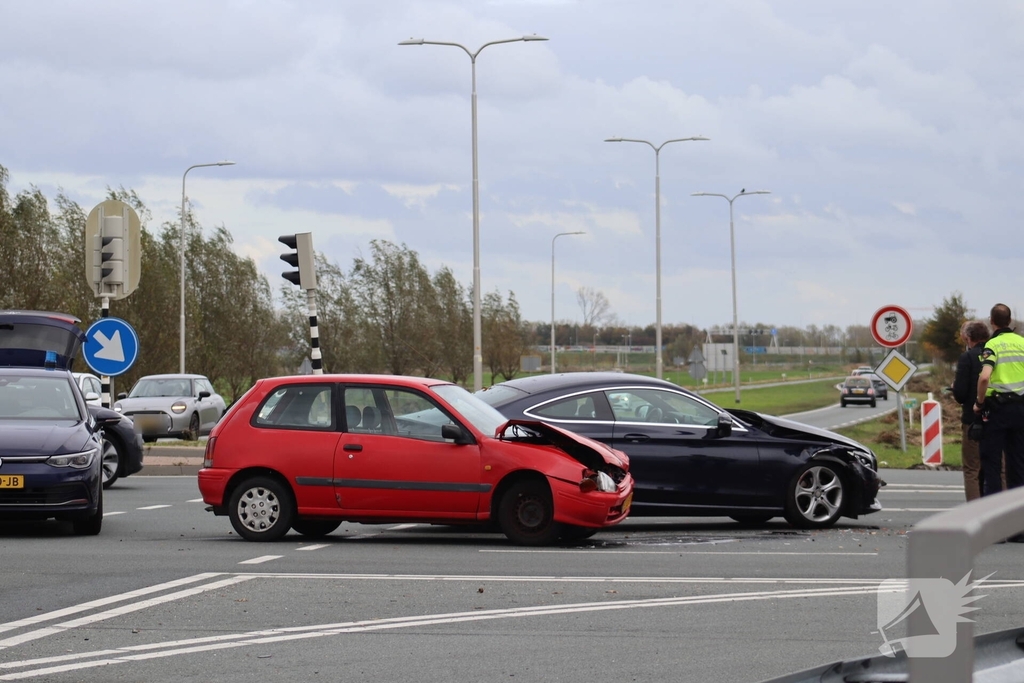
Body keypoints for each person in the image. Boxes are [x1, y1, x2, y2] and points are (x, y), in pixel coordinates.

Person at [974, 304, 1024, 502]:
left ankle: (993, 518)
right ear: (1010, 321)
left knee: (992, 464)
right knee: (1018, 465)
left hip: (998, 410)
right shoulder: (1022, 343)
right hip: (1021, 410)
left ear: (991, 321)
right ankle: (1017, 523)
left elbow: (985, 377)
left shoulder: (992, 345)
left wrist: (979, 403)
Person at [953, 320, 989, 500]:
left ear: (968, 338)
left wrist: (955, 388)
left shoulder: (967, 358)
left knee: (972, 469)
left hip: (973, 420)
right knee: (999, 468)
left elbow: (960, 393)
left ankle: (976, 512)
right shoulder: (995, 354)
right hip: (998, 418)